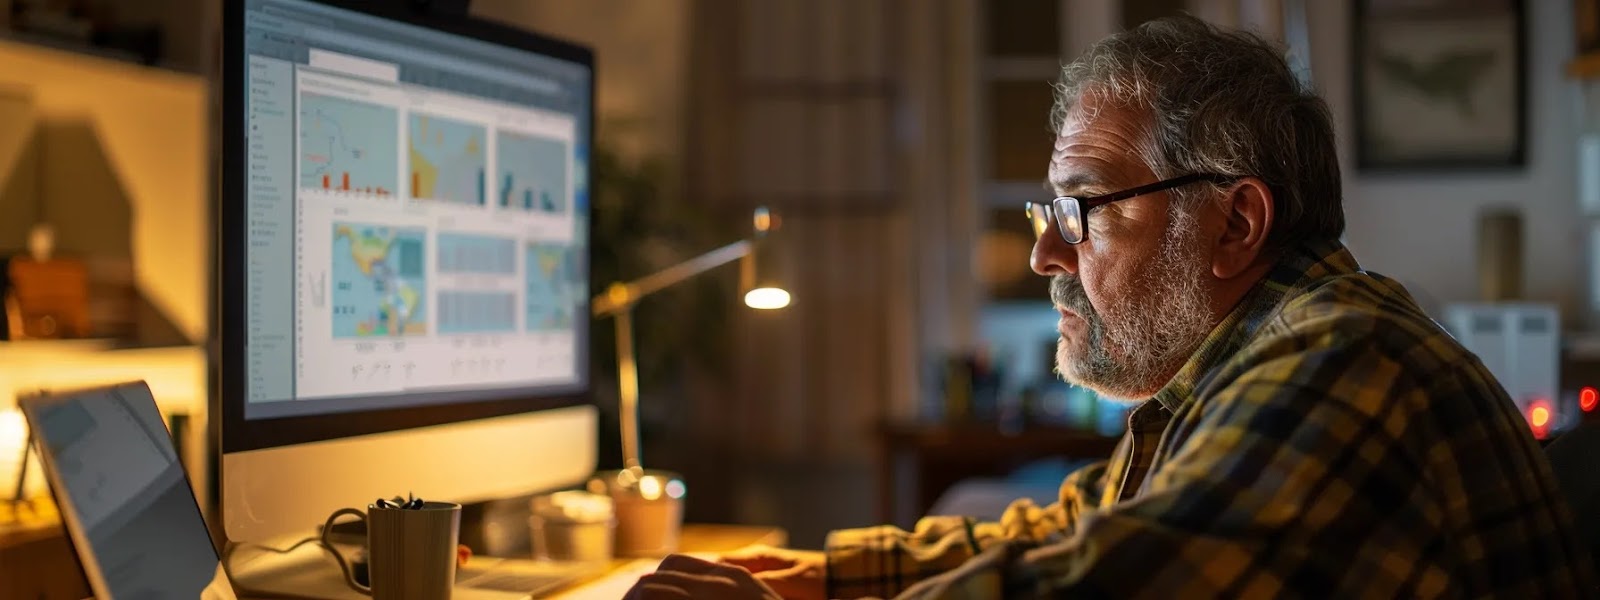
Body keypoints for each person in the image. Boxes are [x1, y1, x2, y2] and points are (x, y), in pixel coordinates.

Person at [626, 15, 1599, 599]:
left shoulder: (1344, 359)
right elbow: (1057, 533)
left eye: (1083, 208)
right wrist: (790, 583)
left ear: (1233, 225)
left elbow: (1109, 585)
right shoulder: (1225, 377)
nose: (1046, 252)